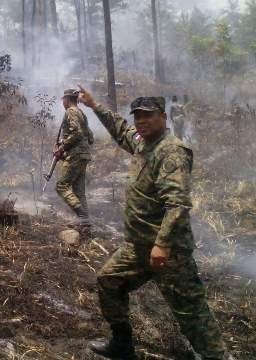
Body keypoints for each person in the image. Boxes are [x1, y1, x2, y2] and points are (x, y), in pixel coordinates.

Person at [77, 86, 231, 360]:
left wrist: (162, 244)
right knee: (109, 282)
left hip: (169, 252)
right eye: (138, 116)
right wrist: (94, 105)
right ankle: (122, 345)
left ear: (163, 117)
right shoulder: (142, 142)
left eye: (148, 116)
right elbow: (121, 129)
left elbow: (178, 204)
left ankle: (217, 356)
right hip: (138, 247)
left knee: (190, 311)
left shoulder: (171, 152)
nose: (141, 121)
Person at [55, 88, 94, 230]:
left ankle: (83, 218)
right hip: (83, 155)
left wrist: (62, 148)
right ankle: (86, 225)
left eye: (63, 100)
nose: (62, 103)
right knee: (79, 191)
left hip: (75, 156)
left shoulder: (71, 111)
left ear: (67, 99)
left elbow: (76, 132)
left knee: (61, 186)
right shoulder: (81, 113)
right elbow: (90, 137)